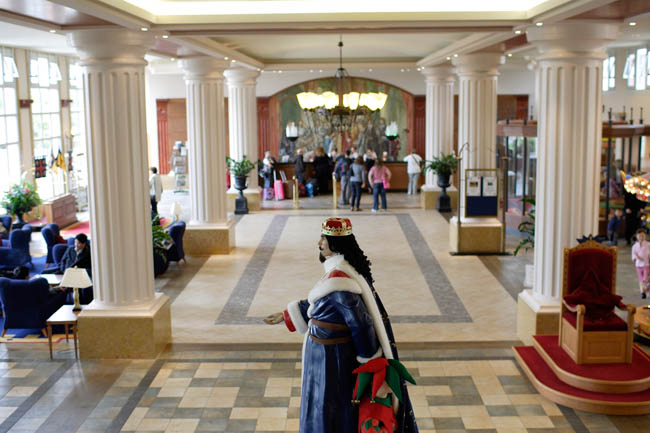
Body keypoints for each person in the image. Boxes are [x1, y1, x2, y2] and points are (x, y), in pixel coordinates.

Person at [264, 217, 418, 433]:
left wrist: (372, 368)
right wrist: (287, 314)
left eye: (323, 239)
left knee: (328, 406)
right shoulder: (338, 275)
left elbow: (361, 325)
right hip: (323, 355)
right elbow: (321, 304)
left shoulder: (341, 282)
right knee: (320, 403)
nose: (319, 243)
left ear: (335, 244)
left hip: (332, 359)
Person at [632, 229, 650, 299]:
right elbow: (633, 254)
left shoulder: (648, 244)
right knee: (641, 279)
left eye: (643, 236)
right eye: (639, 236)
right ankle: (642, 292)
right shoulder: (634, 246)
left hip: (646, 264)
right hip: (638, 265)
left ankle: (646, 289)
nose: (641, 237)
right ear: (636, 236)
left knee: (645, 279)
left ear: (645, 236)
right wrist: (635, 257)